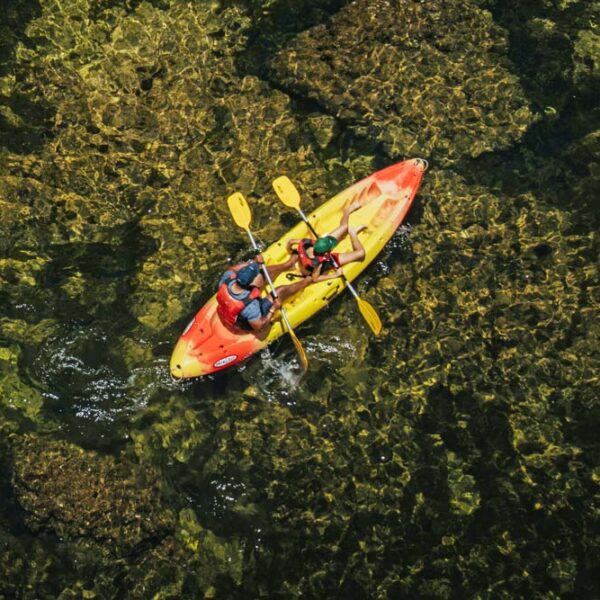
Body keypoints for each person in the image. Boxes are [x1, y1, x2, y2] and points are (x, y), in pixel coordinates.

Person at [216, 253, 312, 333]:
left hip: (234, 306)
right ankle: (306, 281)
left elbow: (232, 269)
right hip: (246, 322)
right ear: (251, 283)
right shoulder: (251, 307)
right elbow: (260, 326)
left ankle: (288, 265)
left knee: (263, 272)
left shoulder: (227, 278)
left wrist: (254, 262)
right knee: (280, 292)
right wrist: (273, 308)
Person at [286, 200, 367, 282]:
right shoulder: (318, 264)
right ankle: (353, 233)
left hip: (312, 256)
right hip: (314, 269)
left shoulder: (304, 243)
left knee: (344, 227)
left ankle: (347, 211)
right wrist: (335, 275)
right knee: (361, 253)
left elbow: (290, 242)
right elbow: (315, 278)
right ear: (327, 253)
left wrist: (290, 251)